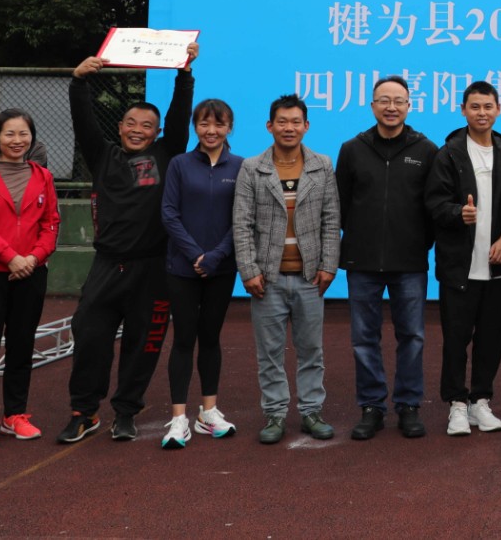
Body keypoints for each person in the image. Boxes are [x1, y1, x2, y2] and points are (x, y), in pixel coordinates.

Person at [58, 42, 197, 444]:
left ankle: (125, 412)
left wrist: (184, 74)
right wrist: (78, 83)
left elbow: (179, 117)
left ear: (157, 133)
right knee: (89, 337)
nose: (138, 130)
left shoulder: (168, 154)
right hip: (106, 265)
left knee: (144, 344)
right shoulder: (102, 156)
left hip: (153, 269)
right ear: (119, 127)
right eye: (131, 123)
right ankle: (84, 412)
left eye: (146, 126)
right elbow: (83, 121)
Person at [233, 94, 341, 444]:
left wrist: (329, 266)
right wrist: (249, 270)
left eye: (296, 122)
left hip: (310, 277)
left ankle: (311, 412)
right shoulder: (252, 167)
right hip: (267, 278)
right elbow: (242, 223)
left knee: (312, 351)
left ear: (306, 126)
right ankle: (275, 414)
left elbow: (331, 219)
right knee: (269, 354)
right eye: (282, 121)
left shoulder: (322, 165)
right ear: (270, 126)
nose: (289, 128)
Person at [335, 75, 438, 441]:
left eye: (398, 101)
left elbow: (432, 207)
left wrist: (419, 243)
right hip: (362, 262)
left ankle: (409, 406)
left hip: (409, 262)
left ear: (409, 106)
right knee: (364, 338)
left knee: (413, 336)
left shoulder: (426, 150)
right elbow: (341, 205)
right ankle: (372, 407)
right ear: (372, 105)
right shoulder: (352, 149)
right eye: (384, 100)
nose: (391, 107)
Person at [0, 109, 60, 449]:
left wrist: (33, 258)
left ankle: (15, 415)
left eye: (24, 134)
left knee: (22, 344)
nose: (17, 140)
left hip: (31, 273)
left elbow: (51, 223)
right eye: (10, 134)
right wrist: (10, 257)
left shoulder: (43, 176)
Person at [424, 81, 501, 436]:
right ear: (463, 110)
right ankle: (457, 405)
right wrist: (456, 213)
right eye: (474, 106)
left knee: (491, 338)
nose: (481, 113)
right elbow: (434, 203)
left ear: (498, 109)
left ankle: (481, 401)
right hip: (458, 265)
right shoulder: (448, 153)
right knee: (455, 339)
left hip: (497, 264)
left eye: (488, 106)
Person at [158, 98, 244, 449]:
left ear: (229, 128)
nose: (211, 130)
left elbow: (241, 217)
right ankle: (178, 418)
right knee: (183, 339)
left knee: (210, 338)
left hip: (222, 269)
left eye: (219, 124)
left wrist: (217, 256)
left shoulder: (240, 166)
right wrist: (196, 254)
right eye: (204, 123)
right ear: (195, 127)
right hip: (182, 268)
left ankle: (208, 412)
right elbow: (169, 213)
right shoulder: (179, 164)